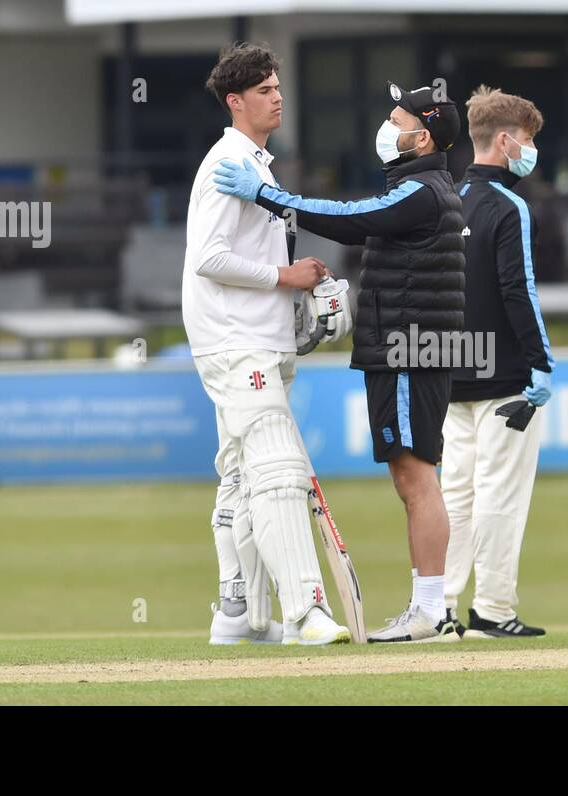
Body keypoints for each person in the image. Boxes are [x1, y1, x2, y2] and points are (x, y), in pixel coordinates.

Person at [213, 81, 465, 643]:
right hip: (409, 344)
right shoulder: (423, 186)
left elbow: (348, 218)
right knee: (413, 473)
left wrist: (267, 195)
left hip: (409, 348)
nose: (387, 128)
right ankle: (430, 607)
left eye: (397, 119)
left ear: (421, 137)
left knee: (417, 474)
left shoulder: (421, 190)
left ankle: (430, 609)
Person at [184, 42, 351, 646]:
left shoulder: (259, 164)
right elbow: (209, 259)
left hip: (257, 337)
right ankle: (306, 612)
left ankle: (240, 617)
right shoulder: (230, 162)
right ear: (235, 101)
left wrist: (296, 309)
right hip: (236, 341)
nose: (277, 97)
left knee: (240, 476)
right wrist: (286, 279)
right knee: (279, 469)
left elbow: (247, 254)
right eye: (264, 90)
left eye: (278, 87)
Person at [441, 86, 553, 639]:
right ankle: (492, 610)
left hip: (449, 373)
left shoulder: (446, 197)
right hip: (507, 378)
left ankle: (435, 609)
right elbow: (519, 290)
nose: (532, 151)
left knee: (455, 496)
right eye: (528, 141)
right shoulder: (509, 205)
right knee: (499, 496)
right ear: (506, 141)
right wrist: (542, 364)